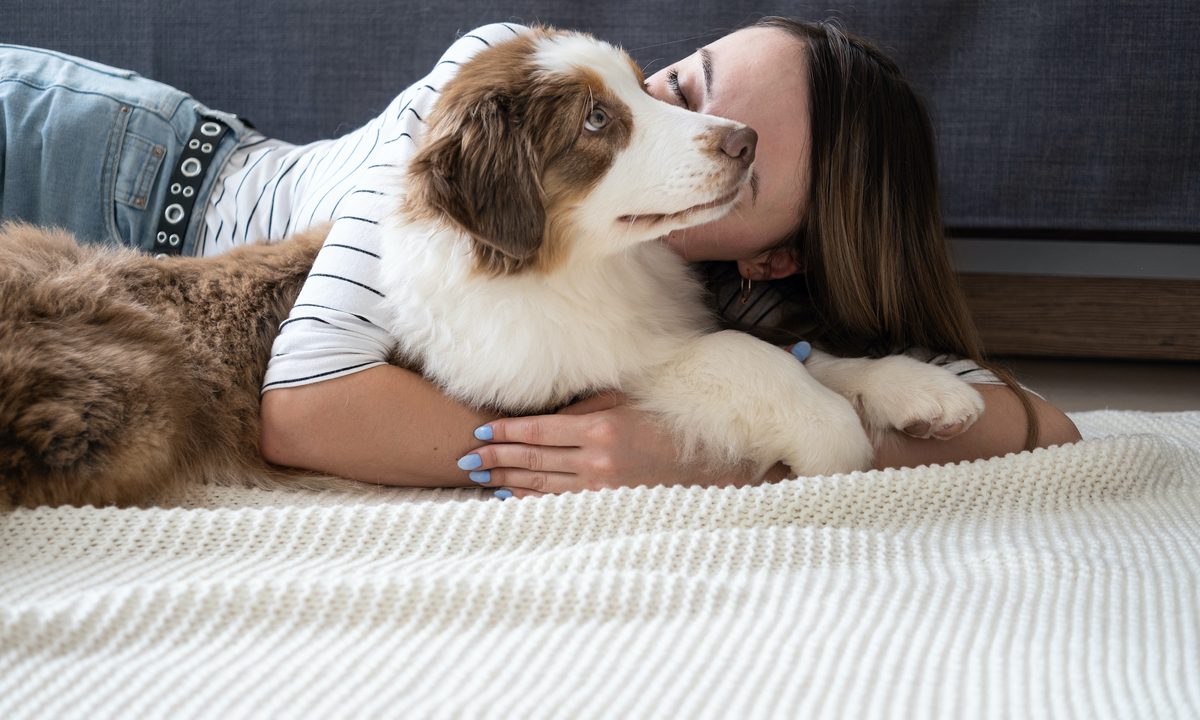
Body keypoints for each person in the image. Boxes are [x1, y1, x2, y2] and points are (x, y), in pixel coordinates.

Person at [0, 19, 1081, 501]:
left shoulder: (657, 279)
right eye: (685, 86)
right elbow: (306, 405)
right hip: (94, 159)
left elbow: (1035, 423)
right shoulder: (501, 77)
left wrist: (719, 448)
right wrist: (674, 455)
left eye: (743, 167)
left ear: (771, 262)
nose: (694, 139)